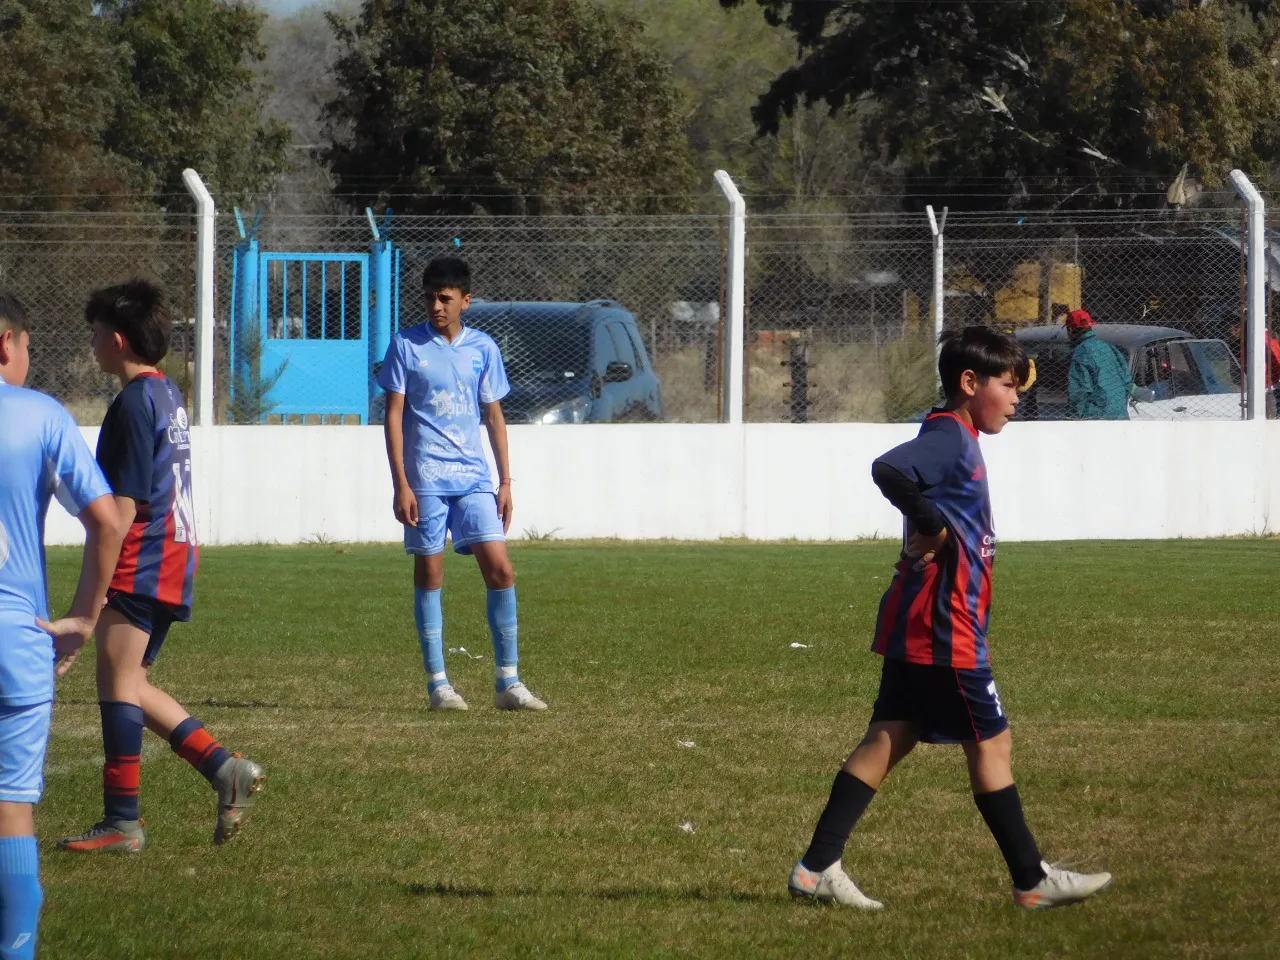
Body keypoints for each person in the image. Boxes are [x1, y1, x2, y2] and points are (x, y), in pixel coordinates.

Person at [787, 326, 1112, 910]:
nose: (1017, 399)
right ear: (970, 382)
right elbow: (888, 469)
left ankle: (816, 868)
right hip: (943, 625)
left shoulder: (956, 435)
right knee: (992, 743)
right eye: (1008, 387)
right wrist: (932, 525)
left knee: (892, 735)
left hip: (920, 620)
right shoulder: (949, 438)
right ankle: (1031, 881)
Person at [58, 280, 265, 854]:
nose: (92, 343)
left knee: (116, 680)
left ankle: (123, 821)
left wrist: (88, 604)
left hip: (144, 557)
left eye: (96, 334)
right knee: (130, 680)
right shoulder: (167, 393)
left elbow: (119, 513)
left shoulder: (130, 404)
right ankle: (224, 769)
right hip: (173, 555)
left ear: (117, 340)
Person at [0, 292, 122, 957]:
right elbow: (108, 521)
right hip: (15, 642)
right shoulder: (42, 416)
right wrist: (81, 618)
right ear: (7, 344)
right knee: (11, 811)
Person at [378, 258, 547, 712]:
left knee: (502, 570)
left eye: (445, 298)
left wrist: (505, 481)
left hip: (474, 478)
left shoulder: (483, 349)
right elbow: (393, 414)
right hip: (427, 478)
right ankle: (439, 684)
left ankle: (508, 682)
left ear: (465, 301)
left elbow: (493, 415)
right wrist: (401, 482)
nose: (436, 305)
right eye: (430, 297)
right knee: (431, 573)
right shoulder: (405, 346)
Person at [1065, 309, 1141, 419]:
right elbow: (1126, 379)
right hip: (1119, 414)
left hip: (1095, 417)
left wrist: (1073, 418)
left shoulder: (1081, 353)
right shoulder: (1109, 347)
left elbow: (1079, 391)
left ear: (1070, 329)